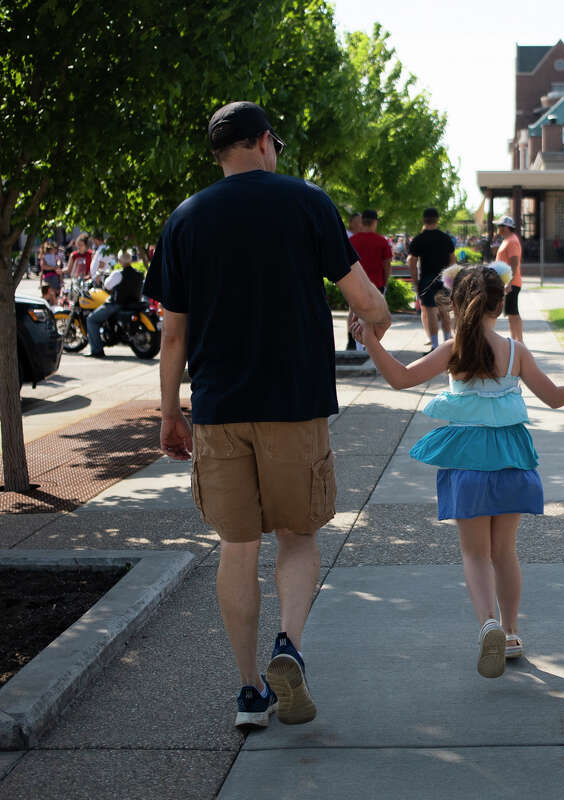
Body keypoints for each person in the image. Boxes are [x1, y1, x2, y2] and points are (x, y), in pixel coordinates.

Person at [144, 100, 390, 730]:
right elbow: (363, 298)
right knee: (299, 534)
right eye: (274, 140)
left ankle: (250, 691)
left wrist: (170, 413)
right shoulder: (306, 203)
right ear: (259, 142)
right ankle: (290, 643)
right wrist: (375, 321)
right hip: (295, 404)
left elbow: (173, 335)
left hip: (220, 409)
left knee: (236, 544)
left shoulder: (184, 219)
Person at [352, 263, 564, 678]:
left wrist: (371, 343)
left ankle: (486, 621)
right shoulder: (515, 352)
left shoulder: (455, 348)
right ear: (500, 304)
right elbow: (556, 398)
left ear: (456, 303)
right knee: (505, 552)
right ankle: (510, 631)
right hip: (510, 460)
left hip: (466, 460)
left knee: (475, 553)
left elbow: (400, 378)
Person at [407, 208, 455, 351]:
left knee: (430, 312)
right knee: (444, 311)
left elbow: (411, 261)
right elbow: (453, 260)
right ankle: (447, 343)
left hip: (427, 279)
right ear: (437, 220)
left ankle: (434, 345)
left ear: (423, 220)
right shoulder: (446, 238)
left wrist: (416, 280)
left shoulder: (419, 239)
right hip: (444, 279)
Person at [346, 209, 393, 351]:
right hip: (375, 284)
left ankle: (357, 345)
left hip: (354, 283)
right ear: (375, 222)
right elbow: (387, 265)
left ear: (362, 221)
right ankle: (368, 345)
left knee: (354, 314)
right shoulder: (381, 241)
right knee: (373, 318)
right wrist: (385, 283)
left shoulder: (351, 241)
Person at [87, 250, 143, 358]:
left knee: (91, 320)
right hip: (134, 304)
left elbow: (107, 286)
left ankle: (97, 350)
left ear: (119, 260)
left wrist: (103, 279)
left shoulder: (118, 274)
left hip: (118, 304)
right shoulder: (138, 274)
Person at [493, 216, 524, 342]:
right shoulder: (507, 240)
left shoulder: (512, 241)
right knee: (511, 312)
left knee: (513, 312)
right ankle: (515, 339)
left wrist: (509, 282)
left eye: (499, 226)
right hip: (507, 282)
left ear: (506, 227)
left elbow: (514, 263)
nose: (498, 228)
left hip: (511, 282)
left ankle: (519, 340)